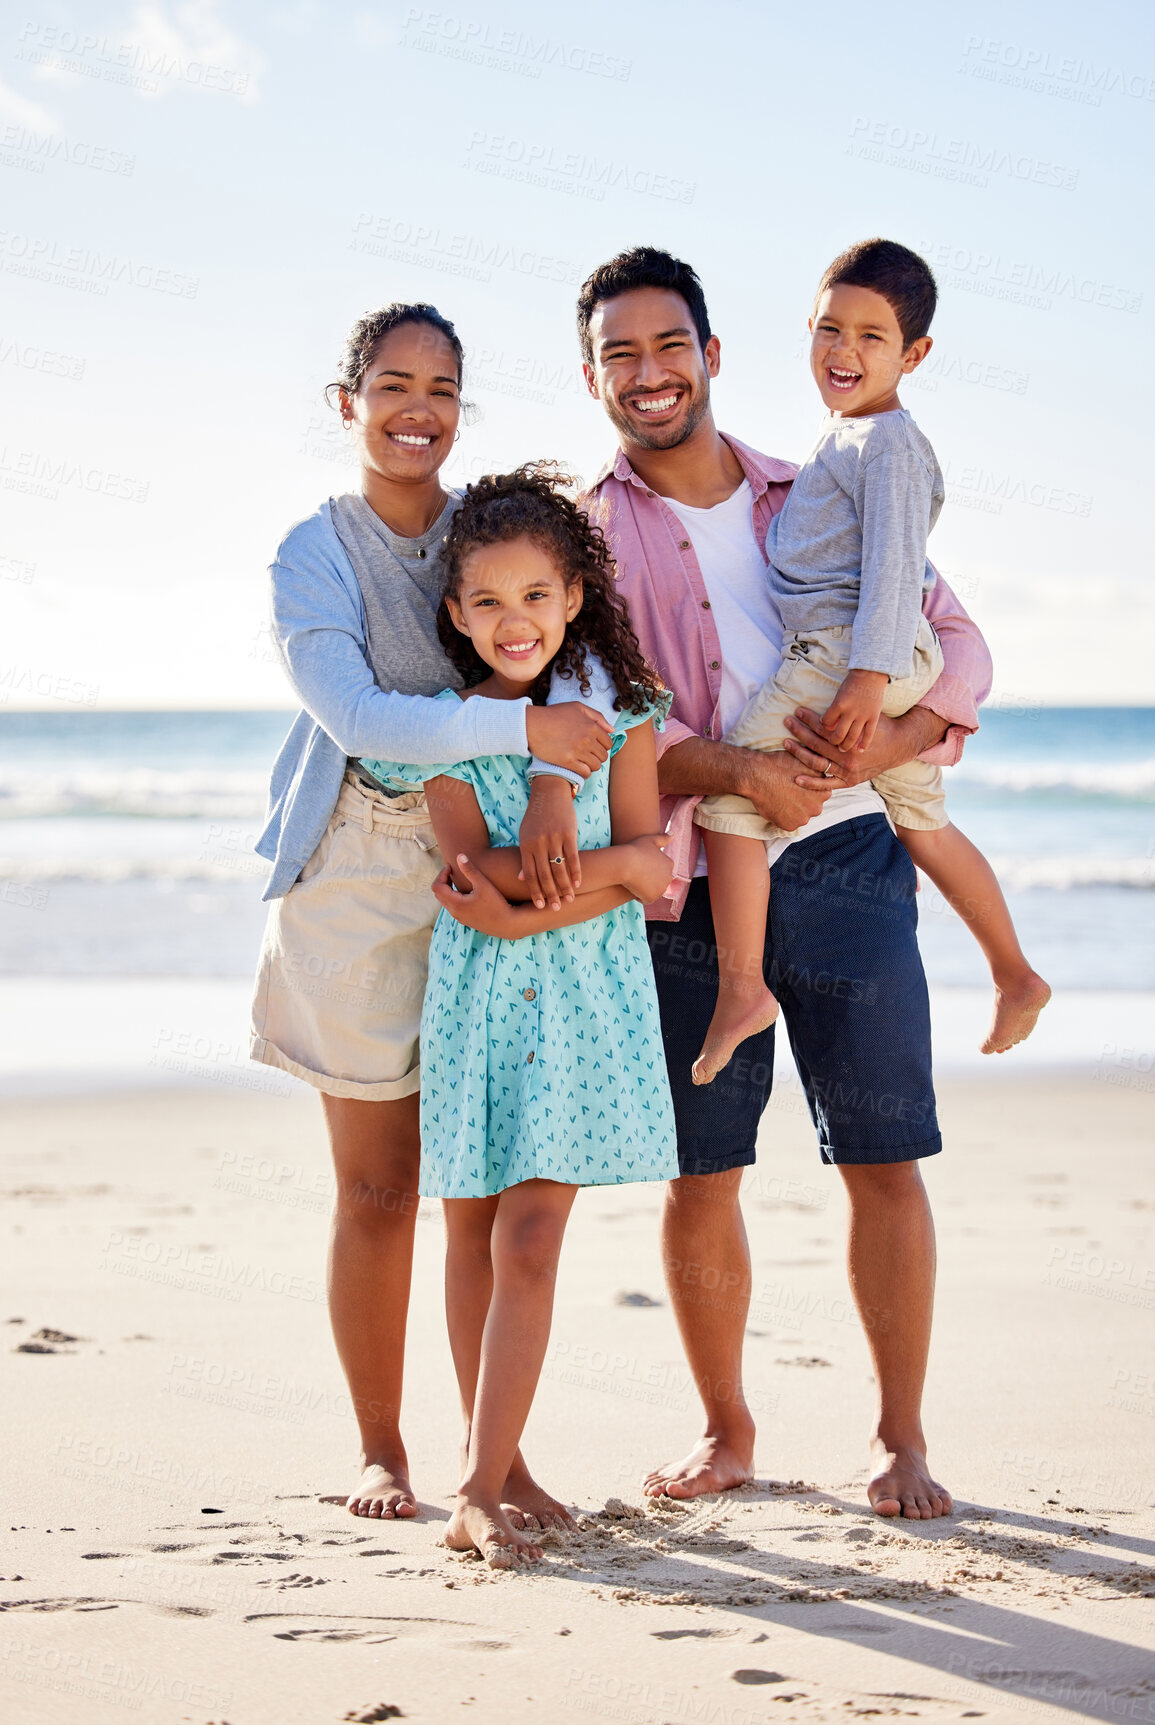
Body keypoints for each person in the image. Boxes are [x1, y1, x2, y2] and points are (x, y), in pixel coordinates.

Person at [573, 245, 995, 1519]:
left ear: (711, 355)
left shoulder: (818, 479)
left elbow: (956, 640)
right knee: (704, 1170)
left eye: (669, 346)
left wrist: (893, 741)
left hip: (855, 860)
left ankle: (903, 1440)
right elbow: (603, 733)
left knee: (885, 1157)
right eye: (619, 354)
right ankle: (726, 1430)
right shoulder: (582, 538)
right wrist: (743, 766)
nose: (649, 374)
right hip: (695, 883)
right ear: (591, 376)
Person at [250, 302, 617, 1524]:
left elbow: (577, 659)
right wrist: (528, 734)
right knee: (375, 1189)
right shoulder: (315, 551)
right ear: (346, 401)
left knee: (482, 1188)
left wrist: (560, 776)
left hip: (499, 862)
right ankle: (380, 1453)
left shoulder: (487, 531)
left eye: (444, 389)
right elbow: (358, 717)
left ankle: (492, 1464)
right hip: (359, 872)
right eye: (394, 385)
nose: (420, 409)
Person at [358, 465, 677, 1567]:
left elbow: (647, 858)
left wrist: (536, 904)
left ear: (575, 598)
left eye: (536, 597)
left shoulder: (621, 717)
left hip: (586, 1007)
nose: (514, 622)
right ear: (455, 613)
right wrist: (607, 871)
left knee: (533, 1238)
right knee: (471, 1233)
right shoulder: (446, 731)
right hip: (481, 1012)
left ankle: (476, 1486)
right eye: (488, 602)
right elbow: (471, 868)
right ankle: (501, 1467)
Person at [691, 239, 1050, 1085]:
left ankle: (741, 989)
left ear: (913, 354)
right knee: (921, 820)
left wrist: (865, 677)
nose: (842, 351)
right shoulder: (845, 437)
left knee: (729, 797)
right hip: (870, 652)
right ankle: (1013, 969)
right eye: (827, 329)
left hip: (847, 652)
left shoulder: (882, 443)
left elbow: (895, 568)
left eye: (870, 336)